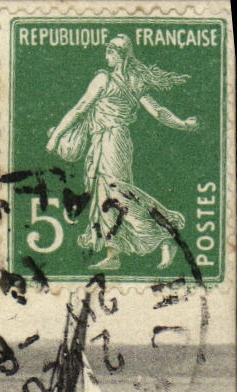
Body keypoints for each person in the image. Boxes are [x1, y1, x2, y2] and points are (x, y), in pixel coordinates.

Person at [46, 35, 200, 271]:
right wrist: (183, 124)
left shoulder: (103, 79)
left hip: (110, 141)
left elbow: (79, 109)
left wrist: (56, 136)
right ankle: (114, 253)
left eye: (110, 52)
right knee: (104, 195)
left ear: (119, 55)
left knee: (117, 195)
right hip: (114, 142)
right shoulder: (135, 81)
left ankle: (166, 233)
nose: (106, 56)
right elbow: (158, 112)